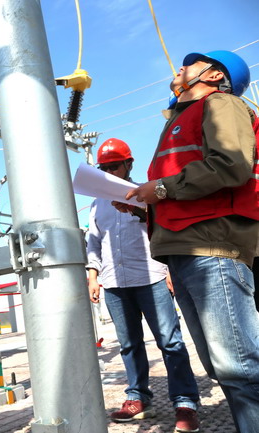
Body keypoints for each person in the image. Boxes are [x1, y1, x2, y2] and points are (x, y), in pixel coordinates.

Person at [126, 50, 259, 432]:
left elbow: (230, 165)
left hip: (213, 246)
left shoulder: (222, 104)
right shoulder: (179, 120)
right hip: (186, 250)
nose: (180, 68)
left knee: (240, 365)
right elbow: (188, 189)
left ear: (216, 75)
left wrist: (163, 188)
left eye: (191, 63)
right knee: (224, 367)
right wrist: (142, 205)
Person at [86, 138, 200, 432]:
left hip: (151, 277)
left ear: (129, 164)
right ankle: (138, 399)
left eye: (115, 165)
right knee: (128, 345)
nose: (110, 170)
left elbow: (165, 229)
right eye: (104, 167)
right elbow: (94, 242)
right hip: (114, 281)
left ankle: (185, 403)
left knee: (171, 343)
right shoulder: (97, 204)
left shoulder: (149, 195)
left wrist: (169, 270)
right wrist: (93, 276)